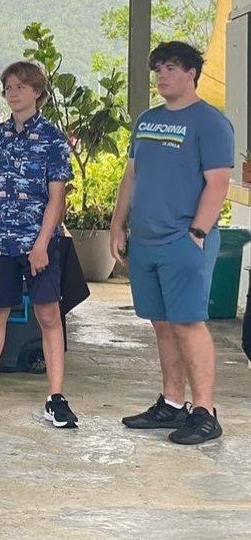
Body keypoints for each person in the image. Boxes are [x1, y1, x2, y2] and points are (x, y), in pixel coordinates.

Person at [110, 41, 234, 444]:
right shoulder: (146, 120)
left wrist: (197, 232)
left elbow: (218, 182)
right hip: (144, 242)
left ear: (191, 73)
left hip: (184, 240)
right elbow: (131, 177)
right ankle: (172, 403)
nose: (163, 75)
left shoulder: (210, 122)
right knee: (162, 325)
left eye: (172, 68)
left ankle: (205, 411)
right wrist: (117, 225)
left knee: (188, 324)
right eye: (159, 69)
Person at [0, 61, 76, 427]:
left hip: (38, 244)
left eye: (20, 86)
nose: (12, 92)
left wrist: (40, 245)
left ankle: (56, 397)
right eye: (8, 86)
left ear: (36, 91)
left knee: (49, 315)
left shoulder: (52, 138)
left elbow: (58, 197)